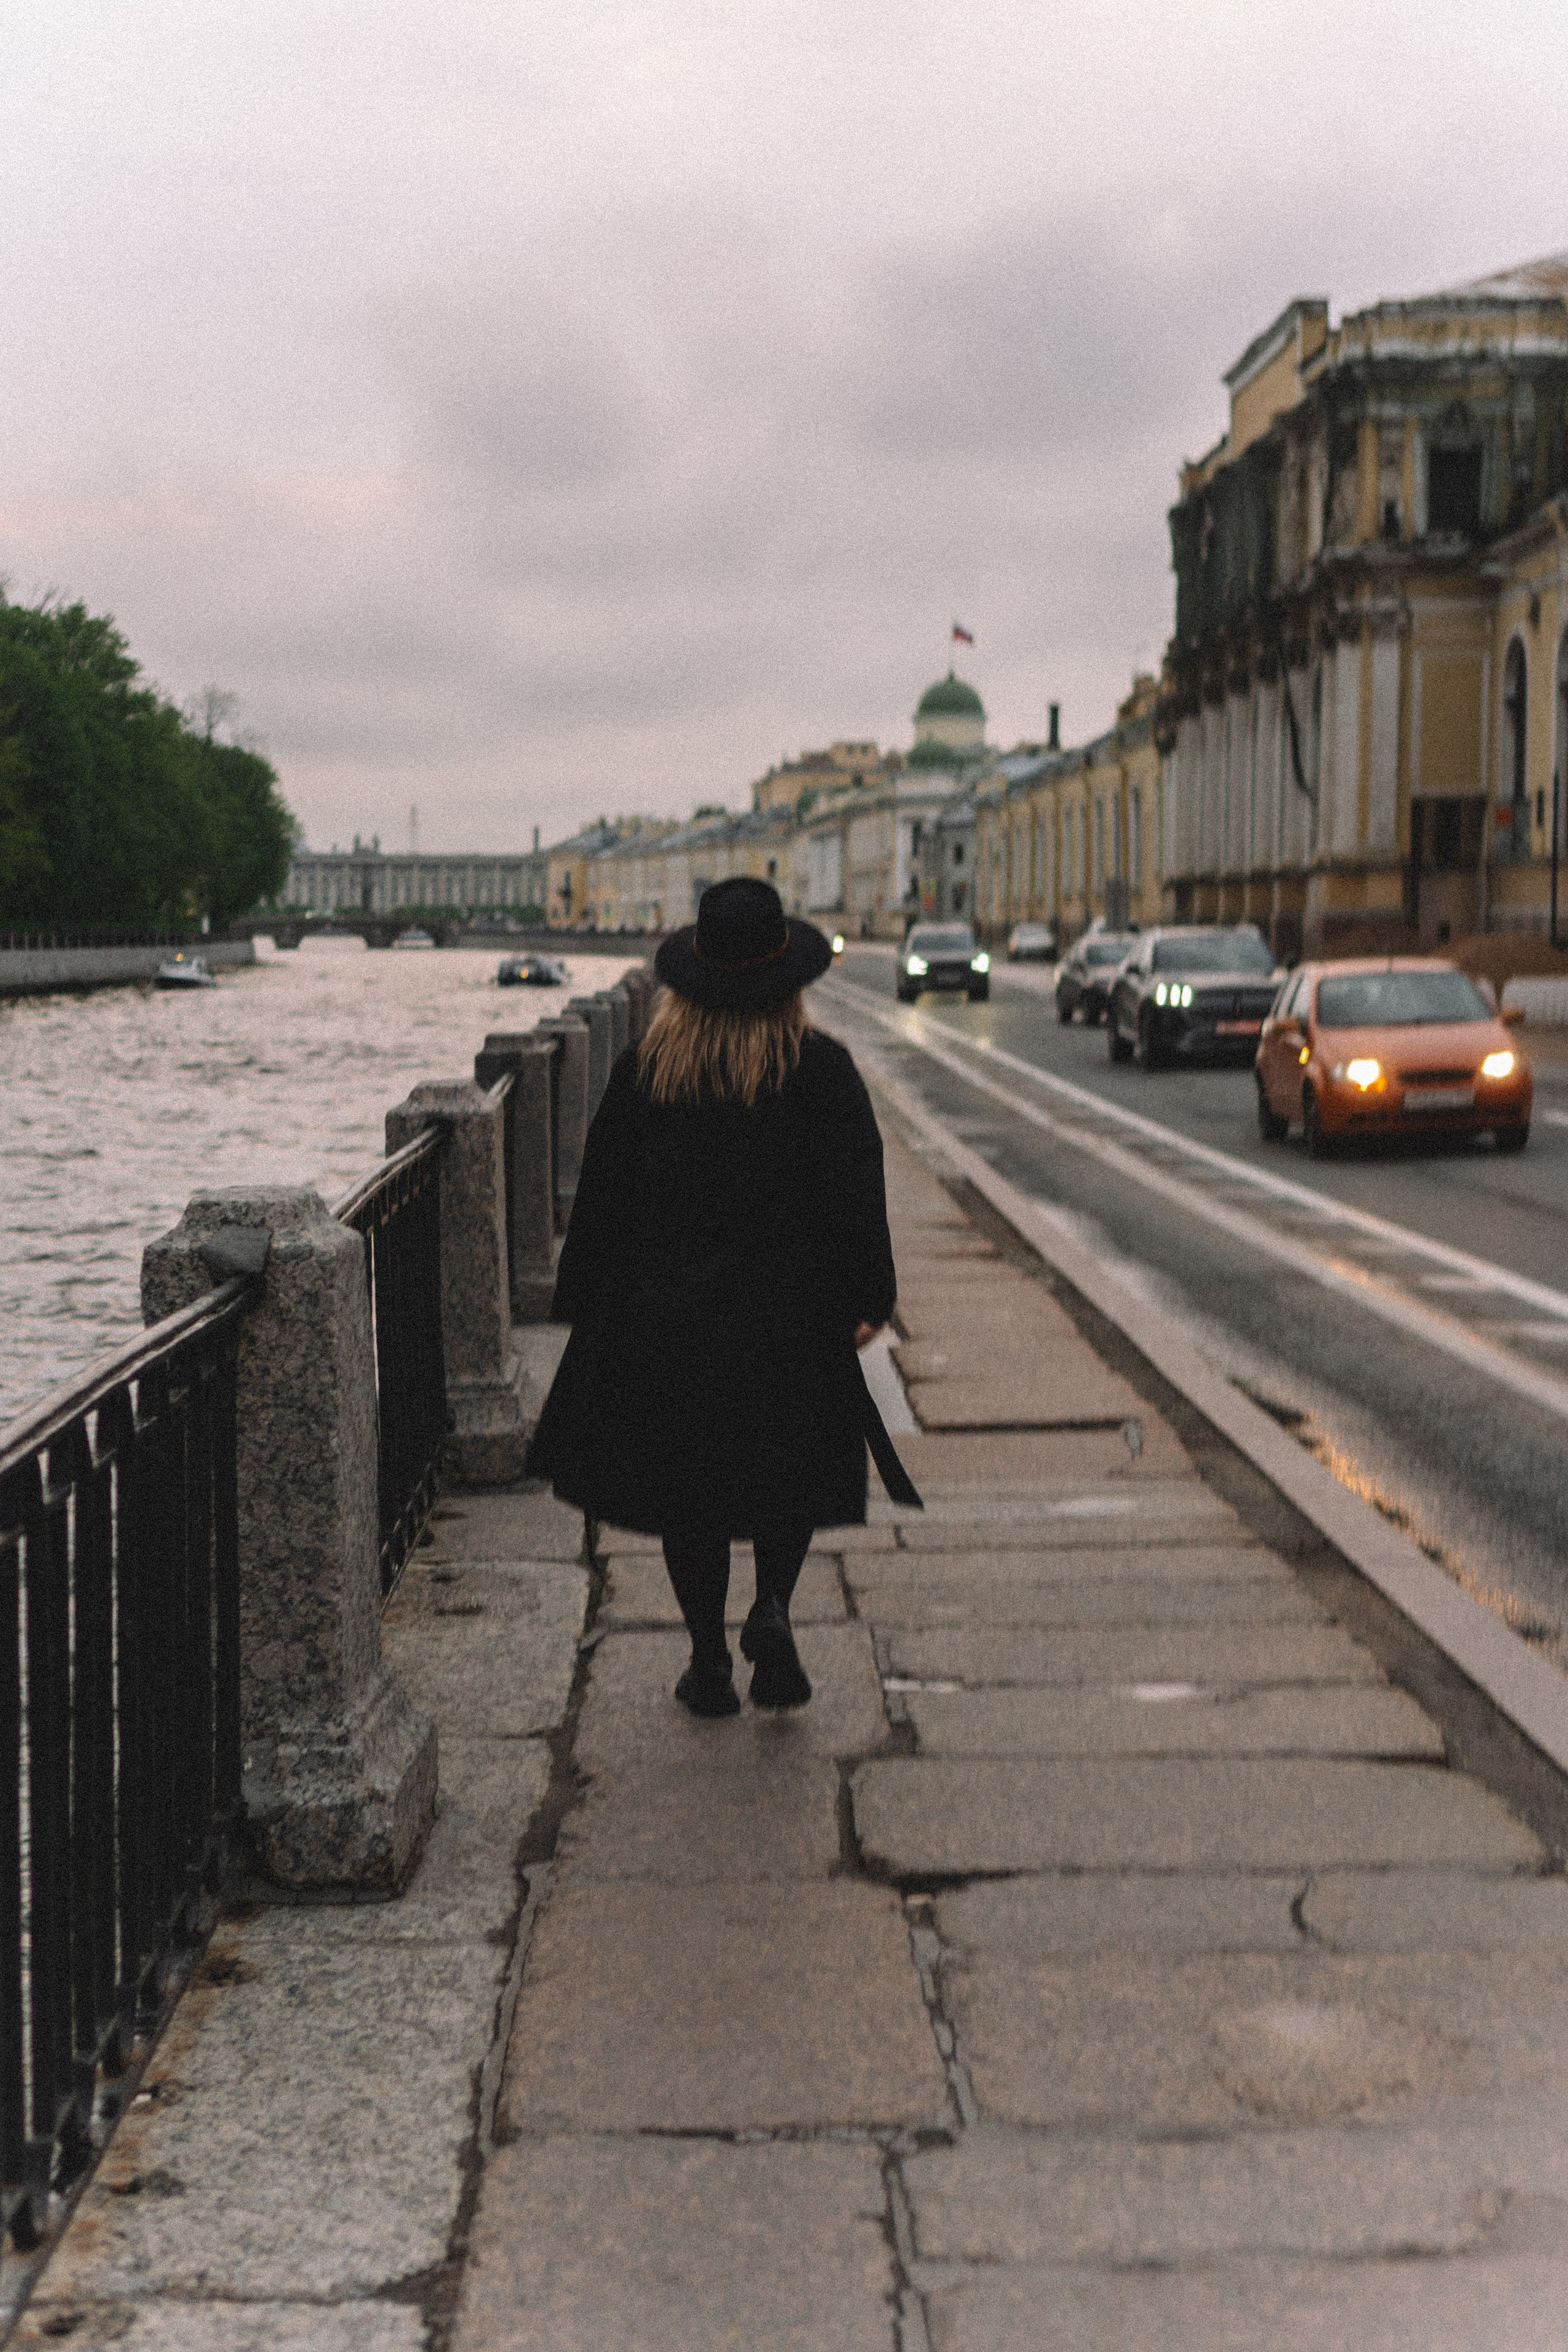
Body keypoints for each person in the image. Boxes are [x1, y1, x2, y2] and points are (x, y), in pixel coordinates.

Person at [525, 877, 919, 1718]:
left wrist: (583, 1302)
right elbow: (859, 1195)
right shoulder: (822, 1071)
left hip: (671, 1323)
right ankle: (771, 1606)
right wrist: (871, 1298)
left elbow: (601, 1202)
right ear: (790, 981)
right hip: (794, 1320)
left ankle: (708, 1661)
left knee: (690, 1499)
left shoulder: (645, 1073)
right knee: (790, 1480)